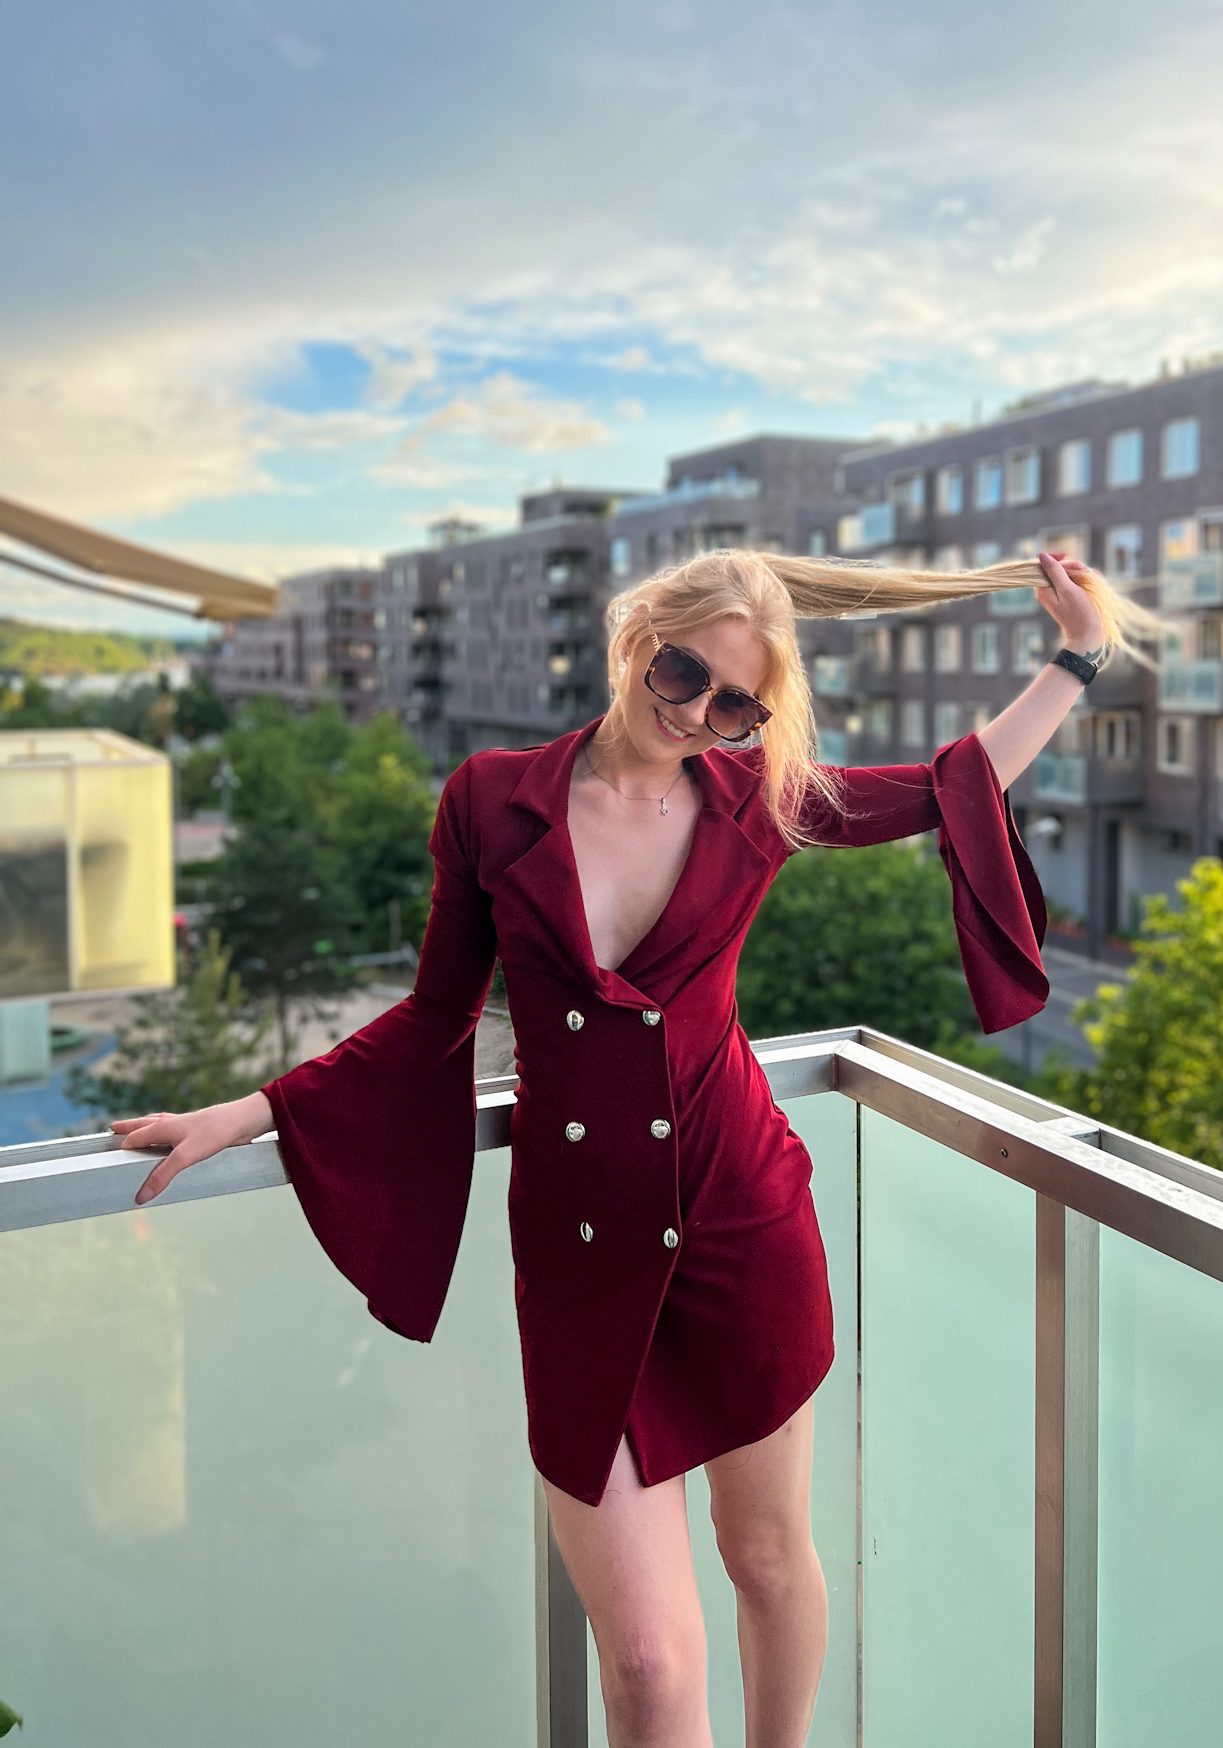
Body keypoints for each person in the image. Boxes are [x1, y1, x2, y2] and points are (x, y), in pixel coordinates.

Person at [113, 545, 1155, 1748]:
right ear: (632, 639)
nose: (698, 713)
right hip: (583, 1257)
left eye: (735, 703)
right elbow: (434, 1017)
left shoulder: (758, 797)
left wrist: (1077, 659)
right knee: (653, 1662)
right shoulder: (490, 798)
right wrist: (249, 1111)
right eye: (680, 672)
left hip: (741, 1224)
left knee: (765, 1558)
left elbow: (950, 784)